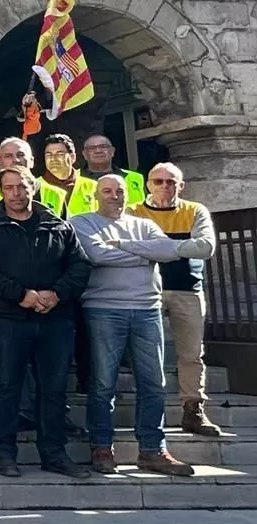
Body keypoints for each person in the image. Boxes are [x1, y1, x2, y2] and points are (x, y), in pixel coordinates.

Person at [0, 166, 92, 478]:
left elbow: (79, 267)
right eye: (8, 188)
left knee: (53, 390)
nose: (16, 194)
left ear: (32, 188)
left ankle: (53, 453)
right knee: (6, 386)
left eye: (21, 187)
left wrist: (56, 294)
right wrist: (19, 294)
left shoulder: (59, 226)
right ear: (0, 192)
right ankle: (5, 454)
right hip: (6, 319)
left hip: (55, 319)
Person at [71, 175, 195, 476]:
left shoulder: (144, 223)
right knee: (103, 383)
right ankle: (102, 448)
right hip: (103, 309)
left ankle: (153, 449)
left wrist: (124, 247)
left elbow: (168, 252)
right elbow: (97, 255)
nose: (115, 196)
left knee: (154, 383)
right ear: (96, 195)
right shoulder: (82, 222)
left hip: (147, 310)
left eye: (120, 191)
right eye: (107, 191)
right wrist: (144, 253)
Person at [131, 162, 220, 436]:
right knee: (147, 355)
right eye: (158, 181)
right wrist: (181, 248)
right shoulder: (134, 212)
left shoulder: (195, 210)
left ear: (181, 186)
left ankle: (193, 409)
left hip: (188, 289)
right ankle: (149, 411)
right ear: (148, 184)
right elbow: (129, 247)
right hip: (146, 289)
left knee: (192, 353)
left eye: (171, 182)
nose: (165, 186)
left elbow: (205, 247)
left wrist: (158, 248)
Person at [39, 134, 98, 218]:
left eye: (59, 154)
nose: (53, 159)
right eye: (48, 155)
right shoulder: (35, 187)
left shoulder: (93, 187)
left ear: (72, 157)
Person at [80, 134, 145, 206]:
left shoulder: (135, 178)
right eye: (92, 148)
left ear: (112, 151)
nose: (98, 151)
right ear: (84, 154)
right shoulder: (74, 179)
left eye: (103, 147)